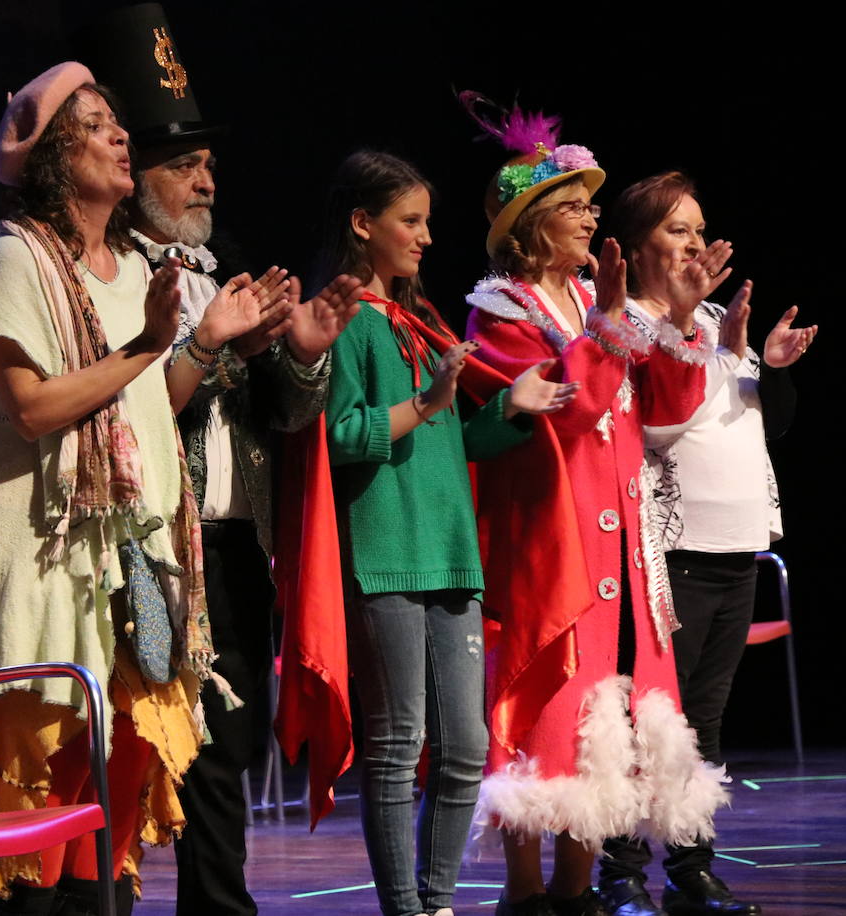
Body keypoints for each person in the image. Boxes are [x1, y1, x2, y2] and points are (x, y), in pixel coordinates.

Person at [0, 62, 266, 915]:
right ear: (54, 158)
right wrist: (149, 344)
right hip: (34, 549)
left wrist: (198, 344)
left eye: (117, 122)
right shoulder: (16, 258)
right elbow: (37, 405)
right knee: (41, 786)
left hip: (118, 554)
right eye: (96, 125)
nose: (122, 136)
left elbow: (148, 406)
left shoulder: (126, 265)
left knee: (109, 792)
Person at [90, 11, 366, 908]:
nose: (208, 179)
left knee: (223, 747)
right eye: (186, 166)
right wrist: (208, 347)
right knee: (139, 744)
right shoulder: (113, 273)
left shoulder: (224, 268)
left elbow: (285, 415)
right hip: (150, 545)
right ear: (140, 180)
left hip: (234, 548)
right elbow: (123, 406)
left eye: (208, 165)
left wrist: (304, 353)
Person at [459, 100, 727, 916]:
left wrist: (677, 318)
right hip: (551, 539)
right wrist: (612, 324)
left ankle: (577, 894)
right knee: (549, 705)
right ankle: (528, 892)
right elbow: (571, 408)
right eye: (573, 205)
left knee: (604, 717)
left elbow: (664, 405)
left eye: (589, 203)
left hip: (620, 541)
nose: (590, 216)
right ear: (530, 223)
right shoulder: (500, 311)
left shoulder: (589, 297)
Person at [316, 149, 578, 916]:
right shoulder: (347, 319)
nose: (427, 236)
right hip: (386, 552)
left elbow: (457, 440)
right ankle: (407, 906)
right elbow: (345, 435)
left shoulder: (421, 321)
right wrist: (431, 403)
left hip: (452, 557)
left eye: (428, 221)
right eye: (410, 221)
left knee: (463, 749)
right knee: (398, 747)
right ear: (363, 225)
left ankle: (436, 901)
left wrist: (513, 407)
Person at [592, 171, 815, 916]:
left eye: (698, 227)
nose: (693, 241)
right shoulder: (627, 323)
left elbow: (762, 422)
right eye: (676, 229)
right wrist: (682, 329)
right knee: (645, 719)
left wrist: (771, 370)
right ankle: (620, 874)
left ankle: (692, 870)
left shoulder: (717, 316)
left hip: (737, 545)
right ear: (634, 244)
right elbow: (655, 428)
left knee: (705, 721)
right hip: (666, 549)